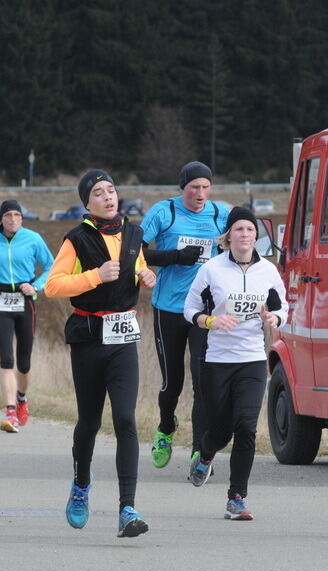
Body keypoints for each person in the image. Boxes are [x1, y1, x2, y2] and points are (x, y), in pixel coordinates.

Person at [46, 170, 156, 538]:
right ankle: (80, 486)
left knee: (125, 418)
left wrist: (146, 275)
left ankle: (128, 508)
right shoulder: (76, 239)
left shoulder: (135, 234)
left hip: (123, 336)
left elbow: (138, 267)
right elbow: (53, 286)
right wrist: (95, 275)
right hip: (89, 338)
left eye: (111, 190)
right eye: (98, 192)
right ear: (87, 202)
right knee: (90, 422)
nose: (108, 197)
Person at [183, 207, 288, 520]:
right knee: (222, 428)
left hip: (253, 360)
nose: (245, 235)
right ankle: (205, 454)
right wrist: (211, 321)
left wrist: (274, 317)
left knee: (245, 427)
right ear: (228, 236)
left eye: (250, 230)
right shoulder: (212, 270)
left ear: (257, 236)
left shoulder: (268, 271)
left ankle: (236, 497)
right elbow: (189, 310)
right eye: (239, 230)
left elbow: (284, 308)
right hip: (217, 360)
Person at [141, 161, 230, 470]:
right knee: (172, 383)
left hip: (205, 313)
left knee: (203, 381)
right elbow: (135, 252)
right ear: (183, 188)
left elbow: (241, 248)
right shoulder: (164, 212)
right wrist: (175, 257)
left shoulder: (220, 214)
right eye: (194, 187)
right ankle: (166, 427)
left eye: (206, 187)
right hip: (169, 308)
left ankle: (198, 451)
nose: (200, 194)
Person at [0, 199, 55, 433]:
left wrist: (37, 286)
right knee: (6, 359)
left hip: (25, 301)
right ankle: (10, 411)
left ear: (22, 218)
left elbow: (52, 265)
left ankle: (22, 398)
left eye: (17, 215)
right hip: (0, 300)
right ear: (1, 218)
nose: (13, 219)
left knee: (24, 362)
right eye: (8, 215)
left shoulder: (33, 238)